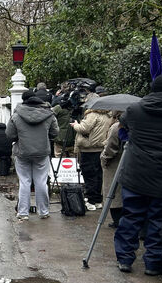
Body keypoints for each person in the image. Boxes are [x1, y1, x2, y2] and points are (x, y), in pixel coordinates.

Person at [114, 74, 162, 275]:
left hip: (136, 174)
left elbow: (122, 126)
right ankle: (153, 263)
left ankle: (125, 259)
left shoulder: (135, 110)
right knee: (159, 219)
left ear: (152, 88)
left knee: (131, 216)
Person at [6, 90, 59, 221]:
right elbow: (55, 133)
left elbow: (10, 135)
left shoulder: (16, 115)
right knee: (41, 181)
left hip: (22, 152)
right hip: (42, 152)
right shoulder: (49, 114)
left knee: (25, 182)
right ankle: (44, 211)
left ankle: (23, 213)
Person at [71, 108, 113, 211]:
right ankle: (98, 200)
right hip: (101, 147)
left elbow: (84, 128)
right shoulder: (108, 116)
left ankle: (90, 201)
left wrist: (75, 125)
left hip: (88, 148)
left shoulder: (93, 114)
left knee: (89, 175)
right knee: (98, 175)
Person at [100, 111, 124, 228]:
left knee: (113, 193)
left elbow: (111, 148)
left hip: (115, 164)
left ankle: (117, 221)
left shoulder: (116, 127)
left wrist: (104, 159)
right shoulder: (138, 124)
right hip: (131, 164)